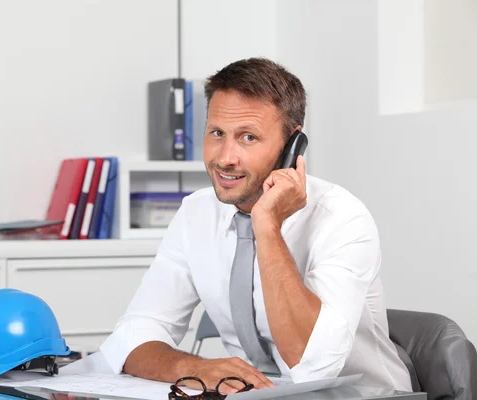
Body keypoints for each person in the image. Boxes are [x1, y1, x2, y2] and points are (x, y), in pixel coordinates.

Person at [99, 57, 412, 393]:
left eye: (248, 137)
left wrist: (266, 225)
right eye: (217, 133)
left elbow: (314, 365)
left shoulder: (341, 218)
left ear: (292, 145)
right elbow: (132, 336)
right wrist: (195, 367)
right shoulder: (195, 214)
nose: (225, 157)